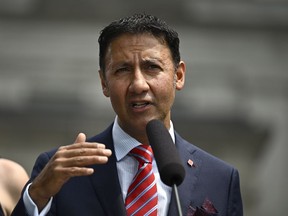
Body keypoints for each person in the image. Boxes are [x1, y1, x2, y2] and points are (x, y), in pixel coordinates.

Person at [11, 13, 243, 216]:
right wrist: (37, 195)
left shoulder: (220, 179)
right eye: (122, 70)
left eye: (152, 67)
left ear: (179, 75)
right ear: (104, 82)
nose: (138, 84)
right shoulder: (61, 173)